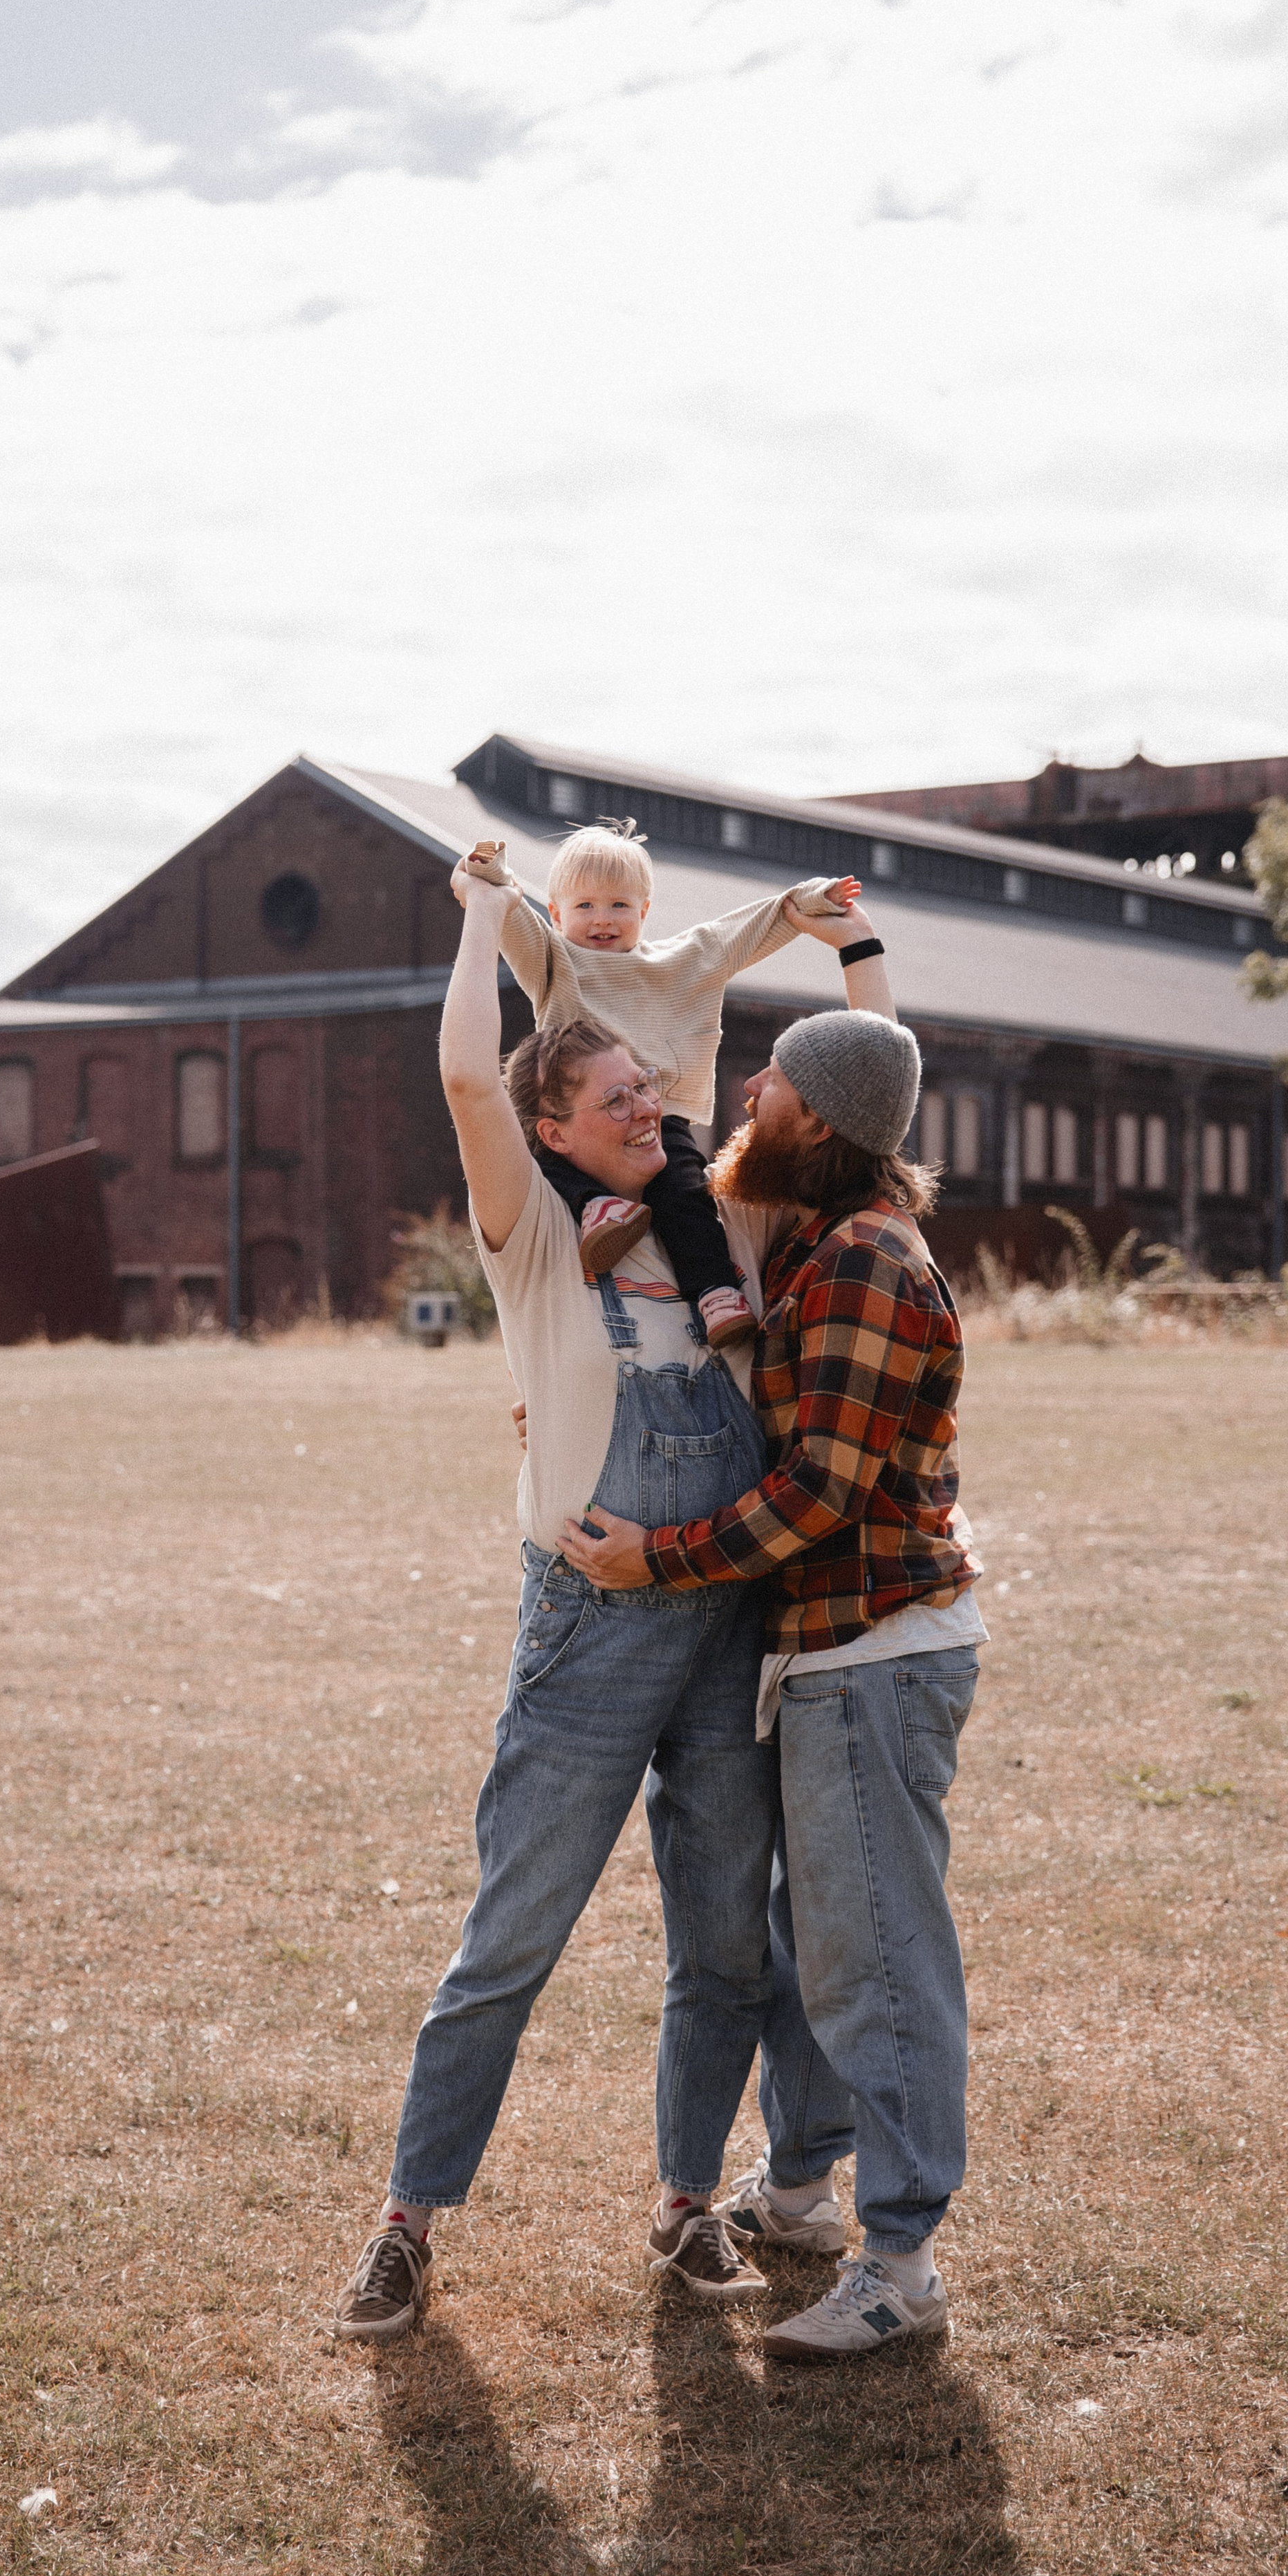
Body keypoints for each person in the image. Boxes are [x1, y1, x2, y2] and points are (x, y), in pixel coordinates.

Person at [330, 852, 887, 2344]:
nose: (652, 1109)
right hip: (583, 1631)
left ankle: (683, 2203)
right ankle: (405, 2222)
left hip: (719, 1627)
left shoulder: (729, 1216)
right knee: (508, 1939)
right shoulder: (529, 1239)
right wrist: (470, 918)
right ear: (550, 1130)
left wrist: (860, 955)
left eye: (653, 1088)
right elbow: (463, 1069)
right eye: (619, 1100)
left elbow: (872, 1112)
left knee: (720, 1947)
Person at [556, 1002, 987, 2365]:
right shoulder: (805, 1238)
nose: (754, 1086)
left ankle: (902, 2258)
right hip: (820, 1652)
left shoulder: (861, 1261)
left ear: (830, 1119)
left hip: (870, 1653)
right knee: (815, 1946)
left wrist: (656, 1558)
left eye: (782, 1080)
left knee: (881, 1961)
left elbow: (819, 1491)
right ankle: (800, 2190)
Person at [460, 821, 859, 1348]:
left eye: (619, 905)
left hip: (660, 1116)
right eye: (584, 907)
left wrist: (813, 899)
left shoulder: (679, 962)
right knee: (542, 1158)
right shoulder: (554, 959)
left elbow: (746, 930)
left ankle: (716, 1293)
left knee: (687, 1197)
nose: (602, 919)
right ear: (555, 913)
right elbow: (510, 918)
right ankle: (595, 1206)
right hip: (576, 1119)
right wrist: (489, 868)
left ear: (644, 911)